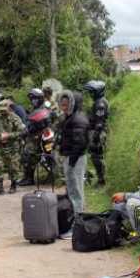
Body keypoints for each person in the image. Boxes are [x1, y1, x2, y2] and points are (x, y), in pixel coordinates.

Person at [56, 90, 89, 234]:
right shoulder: (70, 118)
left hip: (75, 159)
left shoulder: (78, 120)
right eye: (62, 102)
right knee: (71, 190)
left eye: (66, 102)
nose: (63, 105)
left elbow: (80, 143)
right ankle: (74, 221)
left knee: (75, 191)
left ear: (73, 103)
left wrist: (71, 162)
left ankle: (77, 224)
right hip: (71, 157)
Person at [0, 100, 25, 195]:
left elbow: (21, 132)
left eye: (4, 110)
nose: (2, 112)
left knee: (13, 167)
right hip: (0, 146)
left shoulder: (15, 118)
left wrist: (8, 135)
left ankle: (13, 185)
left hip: (13, 147)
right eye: (1, 110)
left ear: (9, 108)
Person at [83, 80, 109, 186]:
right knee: (96, 156)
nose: (90, 94)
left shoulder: (100, 104)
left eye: (92, 92)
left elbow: (99, 123)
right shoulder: (99, 101)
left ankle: (101, 180)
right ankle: (100, 178)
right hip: (96, 131)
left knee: (97, 156)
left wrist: (95, 137)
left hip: (98, 132)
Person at [19, 88, 46, 187]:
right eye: (32, 99)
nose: (33, 101)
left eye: (35, 98)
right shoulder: (35, 110)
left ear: (40, 99)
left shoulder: (44, 109)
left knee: (27, 154)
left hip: (39, 137)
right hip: (33, 136)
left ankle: (29, 178)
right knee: (25, 153)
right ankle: (26, 177)